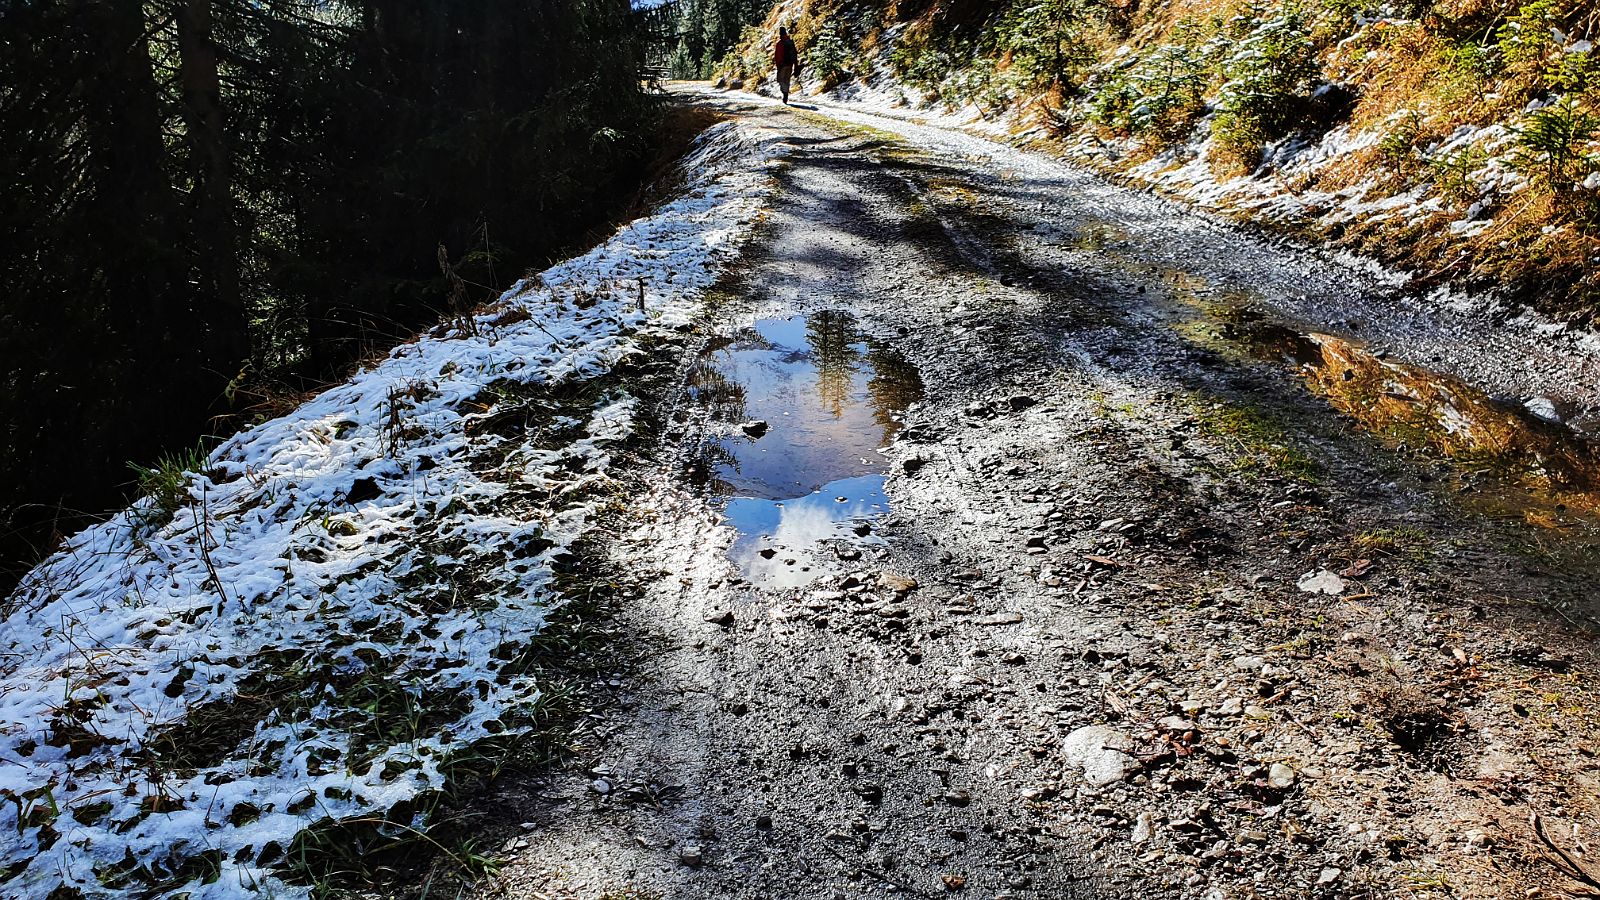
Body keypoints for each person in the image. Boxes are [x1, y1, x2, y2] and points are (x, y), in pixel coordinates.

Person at [774, 27, 801, 105]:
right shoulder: (790, 42)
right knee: (787, 80)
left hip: (782, 65)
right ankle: (786, 94)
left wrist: (779, 65)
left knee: (781, 80)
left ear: (780, 34)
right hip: (790, 64)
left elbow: (778, 55)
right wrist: (795, 64)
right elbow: (795, 53)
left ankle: (785, 93)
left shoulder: (780, 44)